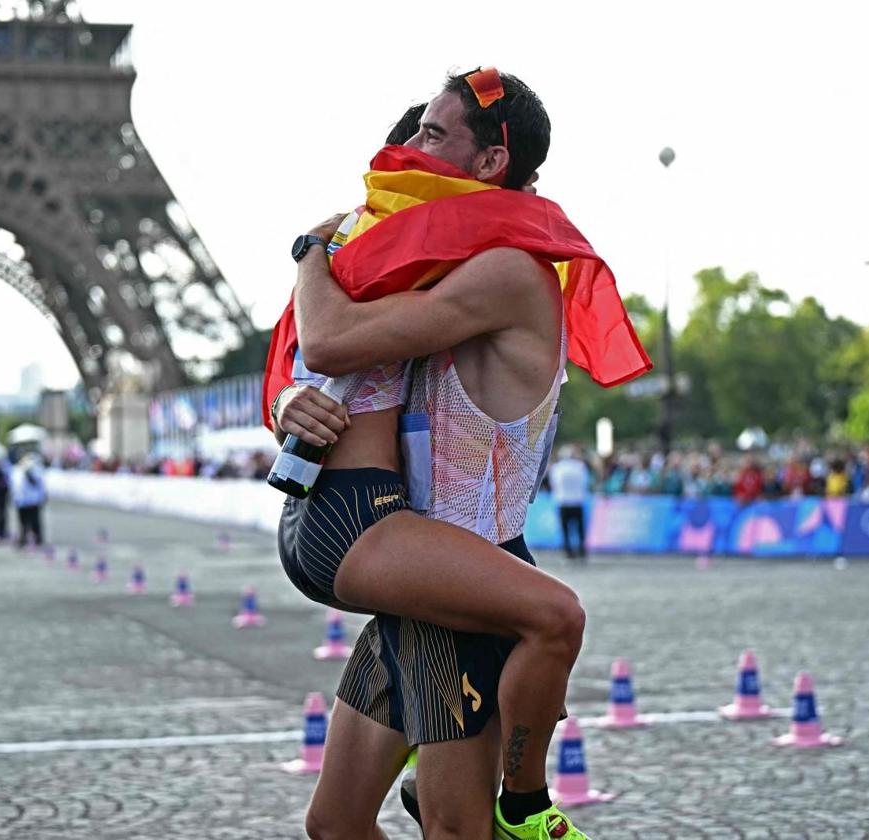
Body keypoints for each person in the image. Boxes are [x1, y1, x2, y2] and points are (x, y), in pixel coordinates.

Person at [269, 69, 648, 839]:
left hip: (431, 559)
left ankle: (523, 801)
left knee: (342, 826)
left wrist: (310, 248)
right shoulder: (424, 267)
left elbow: (330, 340)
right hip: (404, 544)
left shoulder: (503, 271)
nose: (406, 149)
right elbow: (327, 363)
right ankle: (522, 806)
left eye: (432, 135)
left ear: (491, 165)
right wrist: (283, 399)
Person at [548, 446, 591, 560]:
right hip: (577, 500)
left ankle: (568, 551)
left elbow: (554, 484)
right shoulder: (580, 466)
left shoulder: (557, 468)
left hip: (563, 501)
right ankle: (582, 550)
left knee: (565, 529)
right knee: (580, 528)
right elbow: (585, 482)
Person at [12, 452, 46, 548]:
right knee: (23, 522)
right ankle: (23, 540)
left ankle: (38, 540)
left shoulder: (35, 470)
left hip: (32, 501)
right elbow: (15, 486)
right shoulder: (17, 470)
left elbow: (38, 484)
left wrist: (29, 473)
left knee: (34, 522)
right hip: (21, 501)